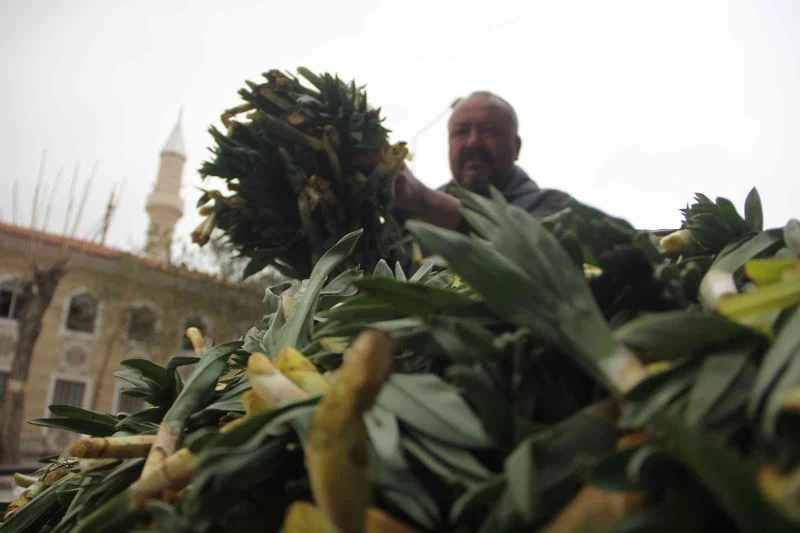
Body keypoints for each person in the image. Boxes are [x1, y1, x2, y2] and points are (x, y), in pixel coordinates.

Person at [393, 91, 572, 231]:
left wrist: (425, 201)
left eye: (490, 131)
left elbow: (522, 250)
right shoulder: (411, 217)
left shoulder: (558, 210)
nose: (473, 142)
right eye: (461, 131)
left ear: (516, 147)